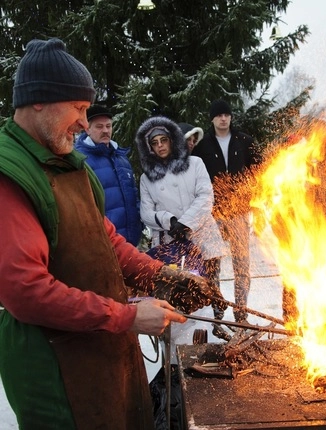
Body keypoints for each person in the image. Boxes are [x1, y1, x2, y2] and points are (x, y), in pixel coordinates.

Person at [0, 38, 223, 430]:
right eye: (79, 109)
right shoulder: (10, 175)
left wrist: (162, 276)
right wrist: (127, 316)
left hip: (104, 349)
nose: (85, 123)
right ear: (39, 101)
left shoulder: (70, 163)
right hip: (56, 369)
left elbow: (108, 243)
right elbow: (27, 292)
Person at [136, 116, 227, 320]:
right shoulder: (147, 177)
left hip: (203, 237)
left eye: (164, 140)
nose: (160, 146)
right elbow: (146, 212)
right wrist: (170, 221)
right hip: (172, 243)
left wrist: (186, 223)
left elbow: (205, 196)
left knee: (209, 290)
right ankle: (174, 341)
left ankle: (215, 329)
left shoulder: (195, 163)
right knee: (176, 292)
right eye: (154, 142)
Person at [192, 99, 260, 322]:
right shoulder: (203, 147)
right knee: (213, 264)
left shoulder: (244, 141)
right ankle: (218, 310)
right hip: (214, 214)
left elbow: (258, 169)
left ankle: (241, 311)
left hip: (239, 212)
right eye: (219, 115)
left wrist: (251, 194)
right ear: (212, 118)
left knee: (242, 263)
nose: (223, 118)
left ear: (231, 117)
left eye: (226, 114)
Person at [75, 104, 143, 246]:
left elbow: (133, 195)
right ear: (87, 129)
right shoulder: (80, 160)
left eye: (108, 126)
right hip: (104, 243)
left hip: (131, 241)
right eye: (99, 127)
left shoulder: (121, 158)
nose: (105, 130)